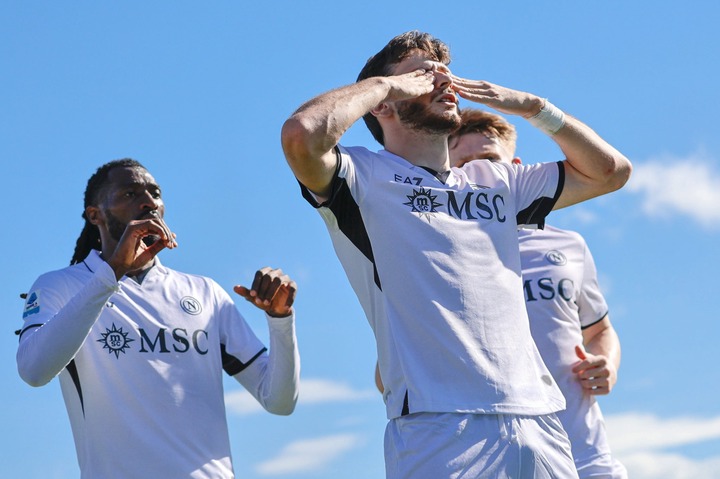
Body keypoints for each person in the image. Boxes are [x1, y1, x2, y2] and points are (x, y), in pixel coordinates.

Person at [282, 30, 631, 478]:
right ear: (384, 103)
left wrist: (533, 108)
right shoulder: (361, 178)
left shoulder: (496, 181)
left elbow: (610, 172)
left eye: (444, 72)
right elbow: (300, 136)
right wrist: (385, 86)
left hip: (541, 420)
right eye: (425, 75)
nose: (442, 81)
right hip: (438, 425)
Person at [377, 108, 627, 478]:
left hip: (587, 456)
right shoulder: (432, 254)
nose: (479, 175)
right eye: (466, 163)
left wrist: (607, 363)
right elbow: (387, 375)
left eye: (490, 161)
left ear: (516, 168)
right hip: (488, 456)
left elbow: (600, 331)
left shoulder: (569, 245)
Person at [17, 158, 300, 479]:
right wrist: (110, 274)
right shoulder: (61, 286)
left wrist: (281, 321)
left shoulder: (205, 292)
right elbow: (33, 370)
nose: (149, 202)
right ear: (94, 214)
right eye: (129, 193)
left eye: (155, 193)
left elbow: (279, 400)